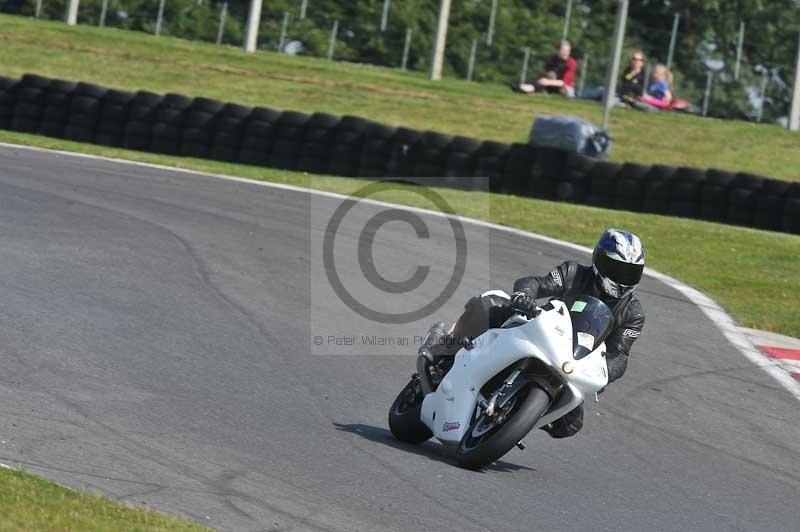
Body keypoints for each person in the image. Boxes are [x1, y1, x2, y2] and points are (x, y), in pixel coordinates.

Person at [418, 229, 646, 438]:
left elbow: (620, 354)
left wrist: (605, 374)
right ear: (599, 260)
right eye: (617, 268)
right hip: (540, 329)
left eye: (631, 272)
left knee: (570, 424)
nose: (622, 278)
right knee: (491, 306)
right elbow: (536, 283)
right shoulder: (573, 272)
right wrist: (524, 295)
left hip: (571, 359)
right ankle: (444, 347)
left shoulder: (632, 313)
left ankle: (516, 415)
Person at [513, 40, 577, 98]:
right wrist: (549, 75)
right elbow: (549, 72)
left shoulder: (571, 63)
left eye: (568, 50)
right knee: (541, 80)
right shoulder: (552, 60)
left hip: (566, 87)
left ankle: (557, 96)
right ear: (557, 50)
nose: (566, 52)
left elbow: (564, 82)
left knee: (563, 89)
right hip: (552, 84)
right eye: (563, 50)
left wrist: (548, 81)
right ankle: (524, 88)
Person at [578, 49, 647, 102]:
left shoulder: (644, 75)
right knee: (602, 89)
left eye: (639, 60)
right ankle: (579, 95)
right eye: (634, 59)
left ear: (642, 62)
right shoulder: (628, 71)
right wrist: (632, 74)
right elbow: (625, 81)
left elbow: (639, 90)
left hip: (629, 100)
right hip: (621, 95)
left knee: (604, 94)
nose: (636, 61)